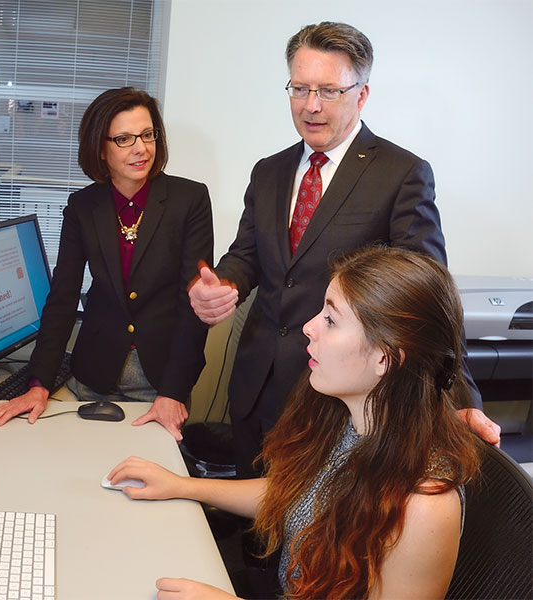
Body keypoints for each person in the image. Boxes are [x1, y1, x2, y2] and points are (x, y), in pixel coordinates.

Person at [187, 21, 499, 477]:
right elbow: (248, 253)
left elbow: (427, 299)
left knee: (314, 536)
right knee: (254, 526)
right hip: (256, 381)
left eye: (329, 91)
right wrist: (225, 284)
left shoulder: (401, 174)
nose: (311, 106)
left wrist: (460, 401)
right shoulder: (268, 171)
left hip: (339, 401)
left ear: (362, 94)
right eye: (300, 88)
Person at [110, 246, 482, 599]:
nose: (308, 327)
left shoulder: (425, 506)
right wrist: (183, 485)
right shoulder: (351, 421)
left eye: (331, 320)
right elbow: (296, 494)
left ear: (385, 360)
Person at [0, 87, 213, 441]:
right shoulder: (82, 207)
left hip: (161, 379)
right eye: (124, 139)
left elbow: (194, 305)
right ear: (101, 149)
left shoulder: (189, 200)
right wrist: (39, 383)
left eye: (147, 134)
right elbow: (62, 298)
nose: (141, 148)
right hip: (93, 374)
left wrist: (173, 390)